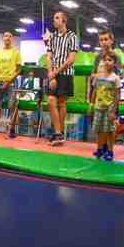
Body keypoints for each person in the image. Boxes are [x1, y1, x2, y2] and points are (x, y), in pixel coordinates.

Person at [45, 11, 78, 146]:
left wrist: (56, 72)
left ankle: (59, 133)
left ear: (64, 20)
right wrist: (51, 73)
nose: (54, 20)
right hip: (53, 73)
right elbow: (48, 56)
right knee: (51, 100)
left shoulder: (72, 36)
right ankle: (58, 133)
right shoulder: (52, 37)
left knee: (61, 103)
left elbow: (71, 59)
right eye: (54, 18)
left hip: (66, 73)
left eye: (57, 18)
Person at [89, 27, 123, 151]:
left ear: (111, 40)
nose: (104, 42)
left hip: (111, 99)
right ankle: (101, 147)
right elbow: (93, 75)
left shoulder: (116, 56)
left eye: (106, 39)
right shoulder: (98, 57)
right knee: (99, 125)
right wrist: (96, 76)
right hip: (99, 97)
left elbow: (120, 74)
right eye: (101, 40)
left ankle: (110, 149)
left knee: (110, 126)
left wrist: (115, 73)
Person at [90, 52, 122, 161]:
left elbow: (117, 95)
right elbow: (94, 91)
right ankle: (99, 149)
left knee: (109, 130)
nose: (107, 62)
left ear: (114, 63)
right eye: (105, 60)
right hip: (98, 107)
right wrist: (91, 104)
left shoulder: (115, 78)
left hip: (109, 109)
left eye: (110, 60)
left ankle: (110, 151)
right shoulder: (98, 76)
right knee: (98, 129)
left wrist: (113, 110)